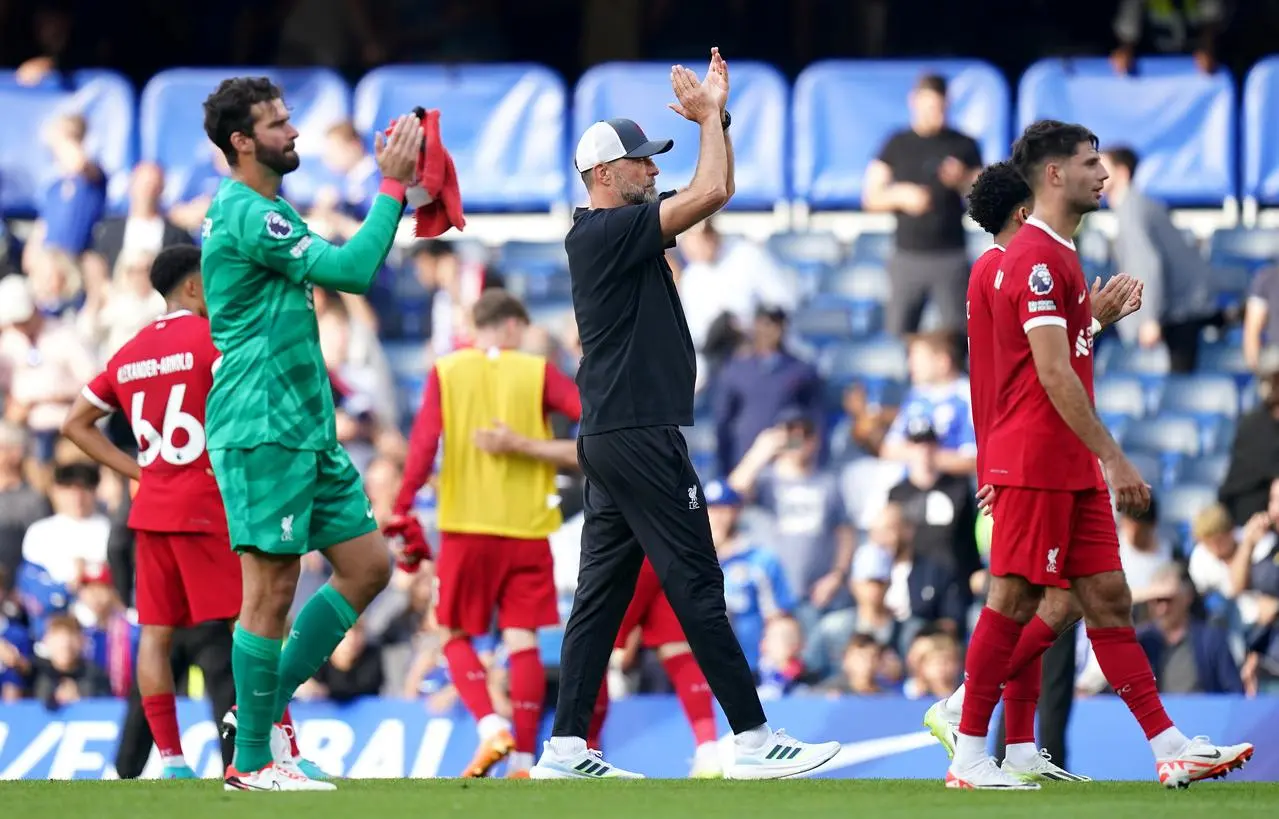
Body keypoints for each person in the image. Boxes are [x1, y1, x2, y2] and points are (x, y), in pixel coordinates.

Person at [532, 47, 839, 781]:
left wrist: (715, 120)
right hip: (637, 432)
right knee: (698, 581)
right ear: (603, 175)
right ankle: (754, 737)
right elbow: (713, 193)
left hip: (614, 432)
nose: (650, 169)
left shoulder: (609, 234)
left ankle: (565, 746)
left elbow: (712, 184)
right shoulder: (605, 232)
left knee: (600, 599)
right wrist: (707, 119)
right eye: (639, 162)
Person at [944, 120, 1252, 790]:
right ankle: (969, 747)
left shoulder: (1057, 257)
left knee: (1108, 597)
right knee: (1016, 597)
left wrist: (1092, 324)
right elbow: (1051, 376)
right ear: (1052, 175)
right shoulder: (1033, 259)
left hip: (1061, 463)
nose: (1102, 174)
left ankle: (1168, 746)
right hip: (1035, 459)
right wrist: (1113, 457)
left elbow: (1040, 363)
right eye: (1089, 163)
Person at [198, 76, 422, 792]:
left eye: (290, 119)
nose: (293, 132)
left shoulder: (270, 207)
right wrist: (391, 188)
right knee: (270, 591)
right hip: (262, 426)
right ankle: (253, 759)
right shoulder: (246, 212)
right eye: (277, 123)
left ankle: (255, 719)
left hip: (305, 428)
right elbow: (352, 272)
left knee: (368, 566)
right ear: (242, 142)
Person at [924, 160, 1139, 782]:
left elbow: (1018, 367)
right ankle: (968, 709)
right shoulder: (1008, 269)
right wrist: (996, 462)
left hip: (1016, 456)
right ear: (1025, 212)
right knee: (1036, 597)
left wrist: (1090, 321)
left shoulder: (994, 268)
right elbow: (1025, 375)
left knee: (1059, 596)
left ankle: (1017, 748)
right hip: (1020, 462)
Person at [61, 246, 239, 780]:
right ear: (191, 287)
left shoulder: (130, 351)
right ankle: (266, 749)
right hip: (206, 508)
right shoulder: (214, 342)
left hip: (152, 510)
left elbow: (75, 424)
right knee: (251, 625)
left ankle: (173, 762)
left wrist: (139, 471)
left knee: (155, 634)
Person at [385, 289, 579, 779]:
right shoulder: (536, 372)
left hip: (466, 528)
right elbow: (590, 411)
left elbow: (425, 444)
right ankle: (521, 760)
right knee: (523, 642)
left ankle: (493, 726)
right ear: (512, 326)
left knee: (449, 631)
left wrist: (403, 505)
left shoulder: (448, 372)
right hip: (528, 528)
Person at [862, 74, 983, 337]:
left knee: (959, 336)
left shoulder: (963, 145)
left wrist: (962, 179)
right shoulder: (896, 144)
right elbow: (871, 196)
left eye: (940, 109)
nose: (936, 116)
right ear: (914, 102)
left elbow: (985, 193)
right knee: (899, 334)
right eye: (930, 108)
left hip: (951, 256)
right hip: (908, 256)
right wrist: (901, 196)